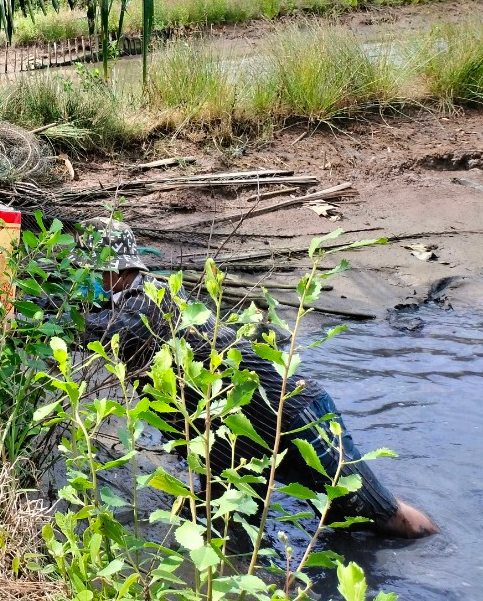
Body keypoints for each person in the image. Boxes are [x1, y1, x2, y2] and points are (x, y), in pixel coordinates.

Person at [56, 217, 439, 540]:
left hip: (292, 416)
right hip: (235, 438)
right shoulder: (129, 298)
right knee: (230, 530)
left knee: (384, 519)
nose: (83, 279)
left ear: (118, 271)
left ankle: (439, 553)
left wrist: (15, 317)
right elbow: (81, 317)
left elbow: (88, 332)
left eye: (90, 272)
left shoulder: (145, 304)